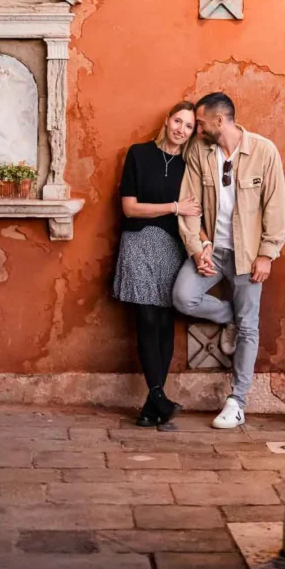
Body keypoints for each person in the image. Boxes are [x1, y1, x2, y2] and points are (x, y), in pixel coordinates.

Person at [173, 92, 285, 429]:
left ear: (219, 121)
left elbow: (276, 208)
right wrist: (197, 247)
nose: (196, 129)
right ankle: (231, 317)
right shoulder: (198, 151)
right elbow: (189, 203)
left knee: (250, 327)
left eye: (201, 122)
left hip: (248, 255)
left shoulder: (264, 152)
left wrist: (267, 254)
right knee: (182, 296)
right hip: (212, 251)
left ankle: (237, 402)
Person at [113, 102, 201, 427]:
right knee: (147, 318)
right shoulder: (138, 154)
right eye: (178, 121)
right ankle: (159, 397)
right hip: (138, 242)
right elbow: (130, 209)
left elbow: (196, 211)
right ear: (167, 121)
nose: (181, 129)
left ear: (192, 132)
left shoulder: (189, 167)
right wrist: (174, 206)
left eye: (188, 126)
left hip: (171, 247)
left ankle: (153, 405)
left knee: (165, 322)